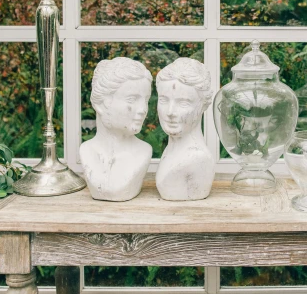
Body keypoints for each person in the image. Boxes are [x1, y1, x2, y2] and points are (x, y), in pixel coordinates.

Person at [80, 57, 153, 201]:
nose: (143, 109)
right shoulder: (86, 151)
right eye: (132, 99)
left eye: (146, 101)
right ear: (101, 104)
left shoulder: (143, 152)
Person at [155, 57, 215, 200]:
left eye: (183, 103)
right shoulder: (171, 150)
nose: (170, 112)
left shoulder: (198, 159)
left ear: (203, 105)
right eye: (163, 100)